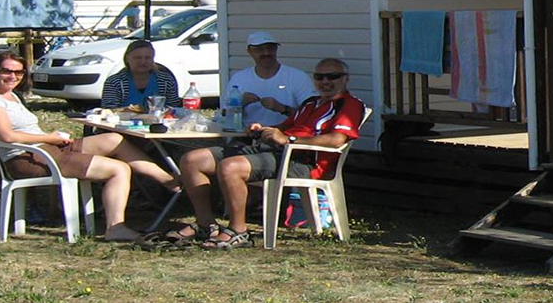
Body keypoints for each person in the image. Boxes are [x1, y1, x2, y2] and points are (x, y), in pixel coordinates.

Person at [173, 58, 365, 249]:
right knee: (192, 160)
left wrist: (289, 140)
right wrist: (264, 130)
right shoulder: (311, 103)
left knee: (230, 167)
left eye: (333, 76)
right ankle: (205, 224)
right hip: (273, 151)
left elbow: (336, 140)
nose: (325, 82)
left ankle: (238, 231)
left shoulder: (349, 105)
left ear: (345, 79)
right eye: (319, 77)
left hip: (303, 161)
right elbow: (285, 128)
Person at [0, 54, 165, 241]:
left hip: (46, 150)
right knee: (119, 169)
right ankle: (115, 227)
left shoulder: (11, 96)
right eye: (7, 71)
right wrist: (49, 138)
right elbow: (7, 136)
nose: (13, 76)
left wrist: (53, 139)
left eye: (19, 72)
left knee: (115, 139)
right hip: (27, 159)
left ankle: (169, 181)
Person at [226, 32, 314, 128]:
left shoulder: (297, 77)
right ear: (249, 51)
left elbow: (312, 116)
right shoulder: (239, 79)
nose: (266, 53)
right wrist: (240, 103)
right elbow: (225, 115)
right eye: (259, 49)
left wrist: (282, 108)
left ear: (276, 49)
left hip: (286, 135)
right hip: (248, 135)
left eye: (270, 48)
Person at [100, 39, 182, 110]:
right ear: (127, 58)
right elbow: (109, 111)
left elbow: (173, 108)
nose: (143, 62)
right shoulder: (114, 82)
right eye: (137, 58)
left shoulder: (165, 80)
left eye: (147, 58)